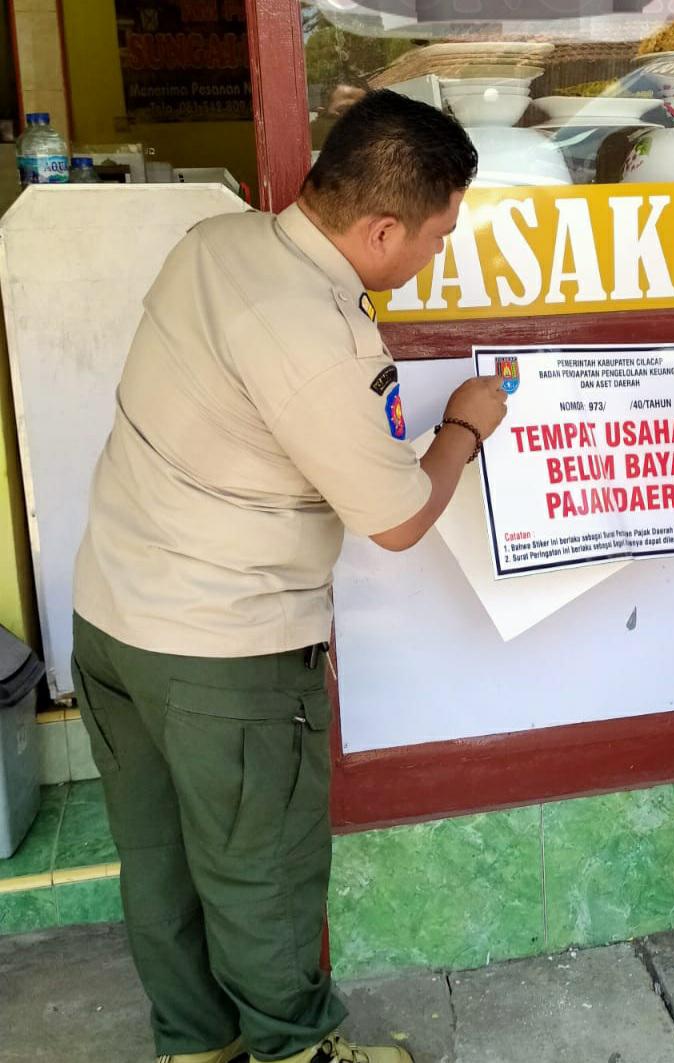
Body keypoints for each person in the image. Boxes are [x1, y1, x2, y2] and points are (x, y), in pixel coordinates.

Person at [71, 91, 506, 1063]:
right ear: (381, 225)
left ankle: (194, 1043)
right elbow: (395, 519)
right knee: (258, 871)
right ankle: (295, 1050)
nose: (437, 254)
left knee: (162, 861)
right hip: (222, 654)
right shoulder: (323, 339)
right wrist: (465, 429)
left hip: (109, 621)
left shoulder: (213, 242)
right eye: (437, 237)